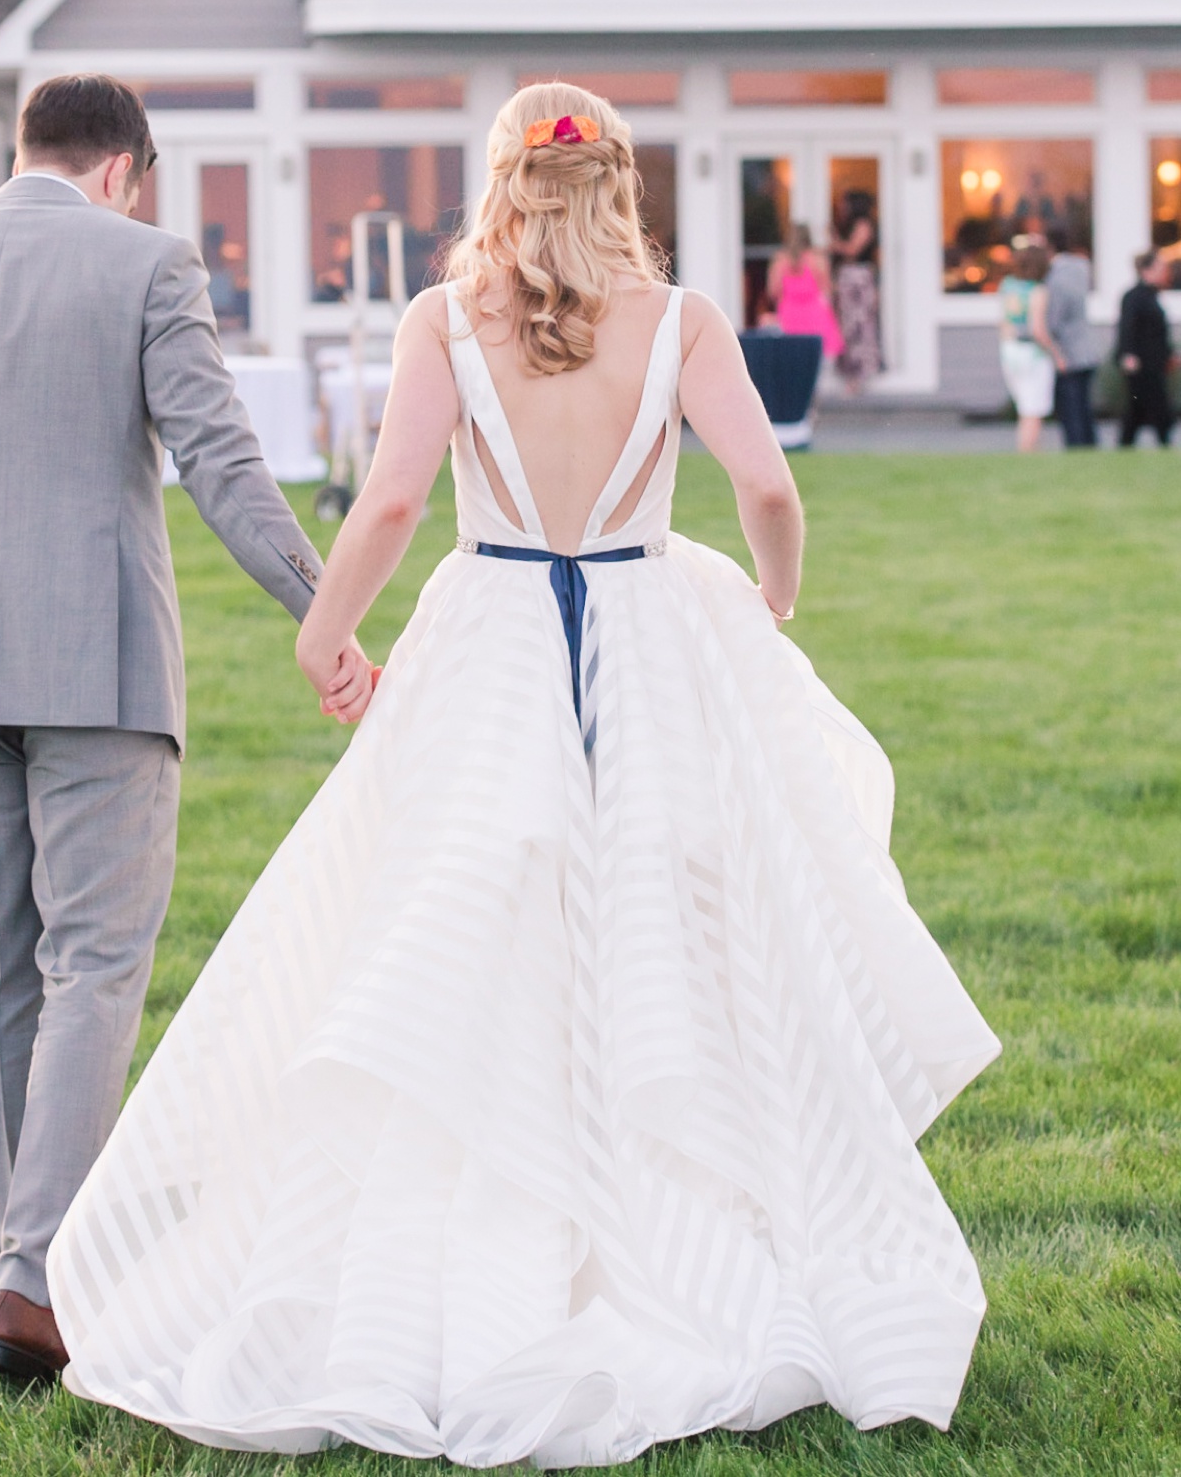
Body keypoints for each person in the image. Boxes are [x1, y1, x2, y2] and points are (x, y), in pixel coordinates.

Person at [49, 84, 1000, 1460]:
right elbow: (772, 489)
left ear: (497, 181)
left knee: (468, 924)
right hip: (650, 640)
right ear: (620, 181)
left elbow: (386, 500)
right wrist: (776, 601)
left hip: (491, 639)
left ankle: (491, 1223)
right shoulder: (679, 321)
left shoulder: (447, 318)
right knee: (670, 928)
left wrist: (328, 631)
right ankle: (668, 1223)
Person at [0, 75, 359, 1389]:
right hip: (95, 663)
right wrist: (327, 614)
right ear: (127, 168)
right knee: (98, 958)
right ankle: (36, 1276)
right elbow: (224, 463)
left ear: (30, 150)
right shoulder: (150, 263)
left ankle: (20, 1271)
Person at [997, 236, 1060, 453]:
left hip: (1010, 349)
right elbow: (1038, 329)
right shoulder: (1037, 290)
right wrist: (1057, 354)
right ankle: (1028, 451)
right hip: (1032, 352)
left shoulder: (1008, 285)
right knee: (1033, 409)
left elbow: (1004, 322)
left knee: (1024, 406)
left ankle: (1027, 447)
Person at [1044, 226, 1101, 448]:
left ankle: (1078, 448)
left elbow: (1056, 317)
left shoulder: (1057, 276)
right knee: (1084, 406)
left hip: (1069, 351)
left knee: (1072, 408)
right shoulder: (1081, 267)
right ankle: (1090, 446)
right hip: (1087, 345)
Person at [1117, 249, 1174, 447]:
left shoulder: (1152, 296)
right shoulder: (1134, 296)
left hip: (1154, 362)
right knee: (1142, 406)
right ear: (1147, 270)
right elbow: (1127, 328)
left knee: (1144, 407)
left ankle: (1138, 443)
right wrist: (1128, 355)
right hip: (1141, 363)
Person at [765, 221, 843, 361]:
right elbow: (826, 289)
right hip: (815, 313)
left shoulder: (780, 260)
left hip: (789, 313)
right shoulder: (817, 258)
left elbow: (773, 290)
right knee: (818, 362)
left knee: (792, 359)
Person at [831, 190, 882, 390]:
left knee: (859, 326)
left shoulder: (863, 224)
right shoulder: (850, 225)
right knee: (849, 326)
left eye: (845, 203)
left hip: (858, 279)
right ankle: (851, 373)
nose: (842, 208)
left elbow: (853, 250)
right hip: (848, 278)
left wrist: (834, 243)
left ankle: (860, 375)